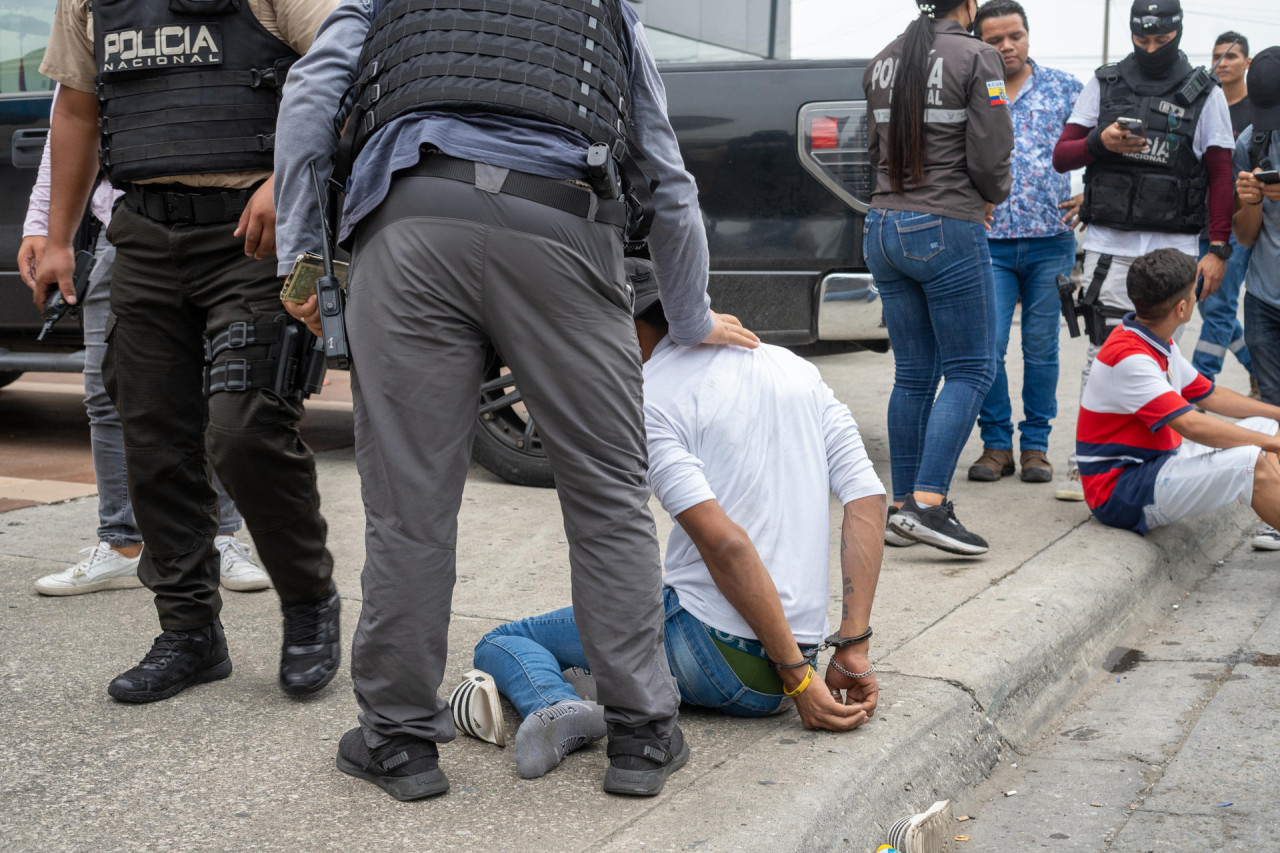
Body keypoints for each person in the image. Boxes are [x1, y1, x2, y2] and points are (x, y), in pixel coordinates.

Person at [272, 0, 759, 801]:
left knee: (410, 505)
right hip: (562, 226)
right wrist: (691, 311)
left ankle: (398, 741)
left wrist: (302, 256)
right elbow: (665, 173)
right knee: (607, 495)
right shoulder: (605, 10)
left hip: (409, 225)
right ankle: (641, 734)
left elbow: (309, 99)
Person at [458, 265, 884, 779]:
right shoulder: (794, 369)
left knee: (504, 640)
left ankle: (554, 703)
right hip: (794, 665)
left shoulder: (648, 395)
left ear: (626, 323)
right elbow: (866, 500)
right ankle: (596, 682)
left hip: (717, 656)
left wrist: (797, 681)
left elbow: (725, 546)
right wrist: (850, 647)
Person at [33, 0, 341, 704]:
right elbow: (78, 111)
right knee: (152, 437)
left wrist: (284, 178)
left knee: (245, 426)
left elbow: (348, 78)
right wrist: (57, 239)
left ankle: (308, 604)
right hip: (143, 234)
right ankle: (189, 630)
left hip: (252, 237)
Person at [20, 86, 269, 597]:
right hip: (124, 231)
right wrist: (44, 225)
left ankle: (219, 535)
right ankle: (122, 542)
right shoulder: (99, 14)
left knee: (216, 386)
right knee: (106, 391)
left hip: (224, 226)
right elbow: (69, 123)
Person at [1051, 0, 1236, 501]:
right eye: (1142, 39)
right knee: (1104, 351)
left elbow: (1221, 172)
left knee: (1163, 355)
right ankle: (1085, 463)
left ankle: (1162, 452)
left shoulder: (1205, 91)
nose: (1151, 49)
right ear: (1132, 33)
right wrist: (1100, 142)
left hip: (1176, 245)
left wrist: (1218, 247)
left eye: (1160, 40)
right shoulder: (1106, 83)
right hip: (1111, 243)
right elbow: (1062, 155)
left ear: (1178, 31)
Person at [863, 0, 1013, 555]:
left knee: (914, 376)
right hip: (945, 224)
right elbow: (991, 151)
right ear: (969, 4)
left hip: (881, 226)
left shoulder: (881, 60)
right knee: (973, 368)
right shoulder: (978, 57)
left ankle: (903, 508)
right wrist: (990, 196)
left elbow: (873, 151)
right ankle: (928, 504)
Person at [1077, 249, 1280, 543]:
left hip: (1156, 464)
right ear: (1182, 308)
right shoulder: (1130, 357)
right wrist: (1271, 444)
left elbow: (1209, 394)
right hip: (1122, 490)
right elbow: (1192, 426)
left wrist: (1275, 414)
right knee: (1250, 461)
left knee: (1266, 426)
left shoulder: (1155, 339)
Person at [967, 0, 1083, 485]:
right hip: (988, 243)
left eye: (1015, 35)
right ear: (980, 44)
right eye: (994, 40)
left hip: (1050, 241)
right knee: (987, 349)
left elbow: (1103, 143)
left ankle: (1035, 445)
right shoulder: (973, 89)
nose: (1007, 46)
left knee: (1042, 348)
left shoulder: (1065, 88)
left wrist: (1091, 194)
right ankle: (996, 446)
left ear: (1028, 35)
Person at [1190, 33, 1256, 389]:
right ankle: (1261, 369)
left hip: (1239, 224)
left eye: (1231, 56)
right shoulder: (1205, 104)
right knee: (1209, 304)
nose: (1223, 62)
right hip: (1198, 220)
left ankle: (1199, 388)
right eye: (1217, 56)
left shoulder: (1258, 109)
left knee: (1218, 308)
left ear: (1247, 63)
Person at [1233, 45, 1280, 549]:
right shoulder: (1254, 139)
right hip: (1266, 296)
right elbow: (1246, 236)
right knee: (1275, 407)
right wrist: (1248, 201)